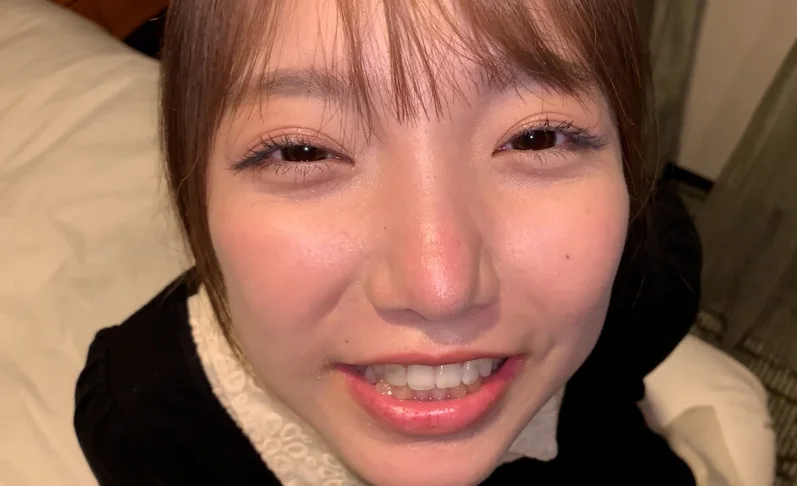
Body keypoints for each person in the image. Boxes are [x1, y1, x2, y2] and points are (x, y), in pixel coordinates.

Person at [74, 0, 703, 484]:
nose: (440, 289)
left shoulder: (649, 282)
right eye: (303, 151)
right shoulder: (148, 416)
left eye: (535, 138)